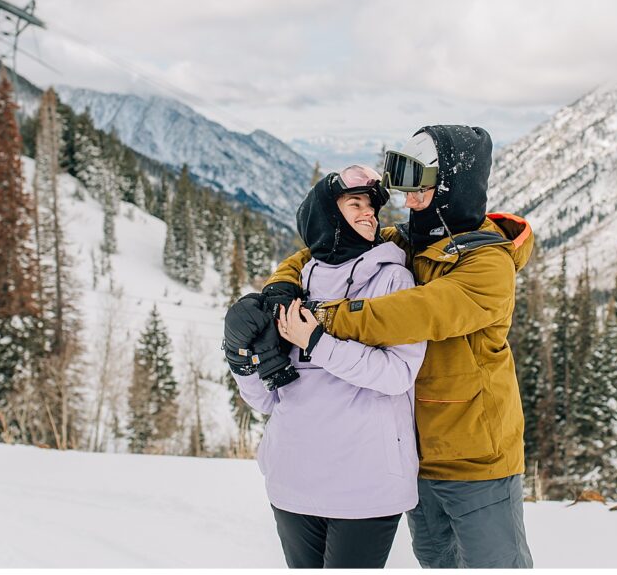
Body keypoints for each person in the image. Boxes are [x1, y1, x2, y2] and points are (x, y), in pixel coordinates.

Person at [254, 125, 535, 568]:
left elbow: (417, 311)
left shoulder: (488, 265)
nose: (408, 200)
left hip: (476, 458)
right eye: (404, 187)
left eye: (419, 187)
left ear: (450, 186)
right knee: (437, 563)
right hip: (416, 455)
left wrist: (321, 321)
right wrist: (279, 290)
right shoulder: (407, 243)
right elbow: (322, 248)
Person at [223, 165, 426, 569]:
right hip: (293, 481)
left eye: (371, 206)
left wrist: (316, 342)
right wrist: (238, 357)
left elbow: (397, 374)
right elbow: (267, 399)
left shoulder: (393, 282)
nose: (369, 213)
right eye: (356, 204)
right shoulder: (293, 289)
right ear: (326, 216)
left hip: (366, 486)